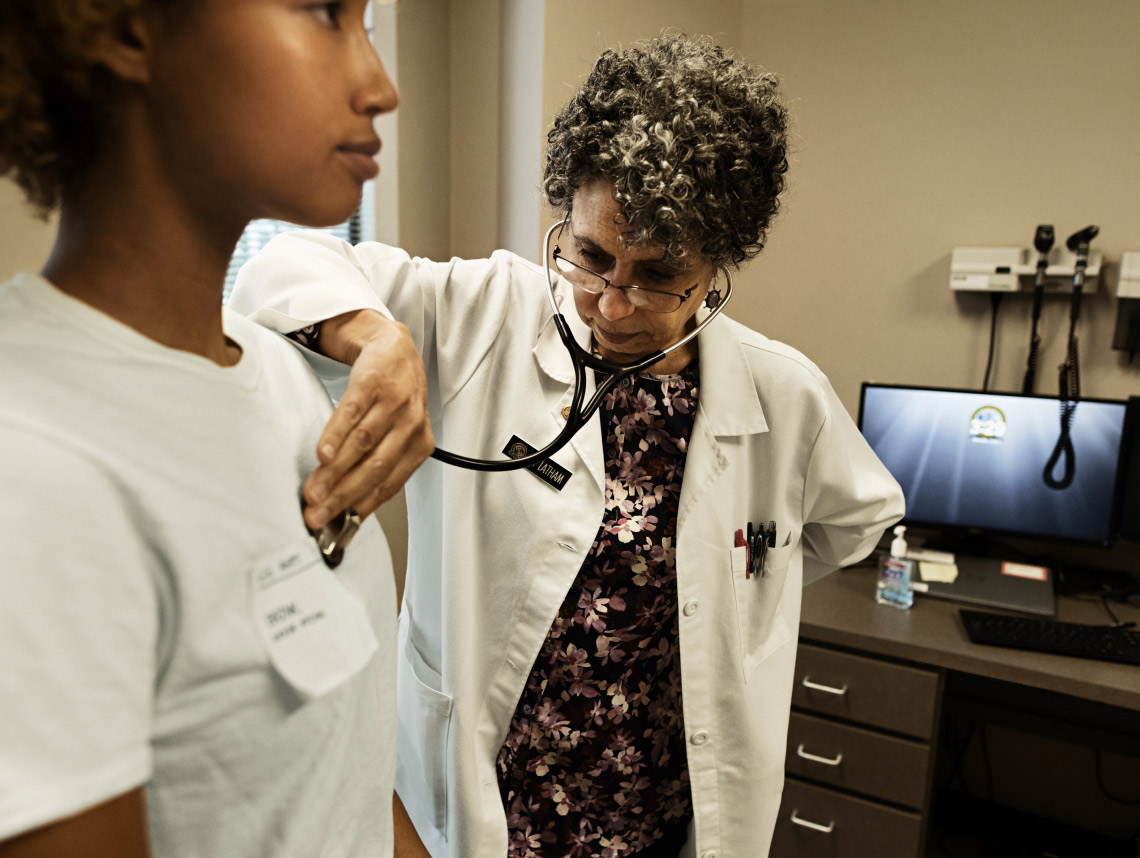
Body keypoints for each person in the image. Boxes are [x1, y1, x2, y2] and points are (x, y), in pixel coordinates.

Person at [232, 35, 904, 858]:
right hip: (484, 808)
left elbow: (856, 522)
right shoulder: (483, 314)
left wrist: (735, 590)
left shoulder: (781, 393)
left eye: (659, 276)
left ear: (719, 263)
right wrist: (378, 339)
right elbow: (282, 267)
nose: (613, 306)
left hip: (659, 813)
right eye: (590, 257)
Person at [0, 1, 433, 856]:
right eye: (319, 12)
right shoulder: (32, 459)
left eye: (366, 21)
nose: (380, 87)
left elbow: (339, 782)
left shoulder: (279, 377)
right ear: (128, 28)